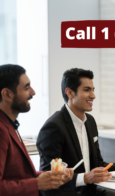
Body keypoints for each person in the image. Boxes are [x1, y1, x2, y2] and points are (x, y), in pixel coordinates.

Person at [37, 68, 115, 196]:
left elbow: (97, 164)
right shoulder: (53, 127)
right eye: (86, 90)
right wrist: (85, 178)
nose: (93, 96)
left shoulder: (90, 122)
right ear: (70, 93)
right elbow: (49, 179)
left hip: (91, 191)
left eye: (93, 90)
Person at [0, 64, 73, 196]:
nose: (33, 92)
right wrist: (37, 184)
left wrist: (49, 177)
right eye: (26, 88)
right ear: (7, 94)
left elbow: (17, 175)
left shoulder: (9, 124)